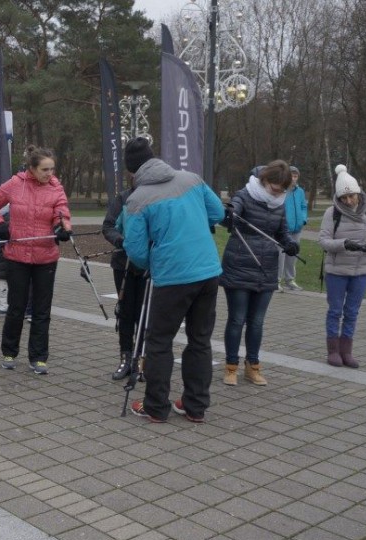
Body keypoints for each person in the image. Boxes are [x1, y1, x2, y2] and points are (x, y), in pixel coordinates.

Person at [121, 137, 223, 424]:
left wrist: (154, 260)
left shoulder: (137, 199)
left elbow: (136, 250)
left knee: (160, 341)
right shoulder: (191, 178)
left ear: (132, 171)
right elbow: (217, 213)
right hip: (208, 271)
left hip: (172, 276)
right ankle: (195, 406)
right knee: (200, 340)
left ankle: (156, 406)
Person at [0, 145, 72, 375]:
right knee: (17, 307)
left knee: (42, 310)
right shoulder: (15, 184)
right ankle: (9, 351)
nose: (49, 174)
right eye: (45, 169)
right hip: (18, 256)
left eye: (52, 169)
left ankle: (39, 357)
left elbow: (61, 212)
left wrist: (62, 227)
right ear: (32, 169)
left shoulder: (56, 188)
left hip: (46, 256)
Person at [220, 160, 300, 386]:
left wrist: (289, 244)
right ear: (265, 180)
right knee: (237, 319)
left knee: (257, 322)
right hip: (239, 263)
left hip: (266, 267)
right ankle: (231, 367)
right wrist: (230, 214)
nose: (278, 193)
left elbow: (281, 232)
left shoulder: (279, 202)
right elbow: (230, 216)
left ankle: (252, 367)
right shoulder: (244, 195)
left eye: (283, 190)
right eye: (275, 188)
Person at [318, 165, 366, 368]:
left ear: (358, 192)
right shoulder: (331, 213)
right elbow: (323, 241)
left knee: (352, 312)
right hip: (336, 271)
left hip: (361, 271)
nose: (349, 201)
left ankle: (346, 350)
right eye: (344, 197)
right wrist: (343, 244)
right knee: (335, 311)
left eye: (352, 196)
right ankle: (333, 350)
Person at [102, 185, 148, 380]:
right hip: (124, 264)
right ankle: (126, 358)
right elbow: (108, 226)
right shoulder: (123, 197)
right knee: (126, 312)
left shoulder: (157, 195)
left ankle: (143, 360)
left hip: (149, 265)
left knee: (144, 315)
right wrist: (121, 241)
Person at [279, 165, 308, 291]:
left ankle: (290, 280)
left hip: (297, 229)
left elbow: (303, 207)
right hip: (283, 229)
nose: (294, 179)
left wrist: (303, 219)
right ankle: (277, 280)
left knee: (293, 254)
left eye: (296, 176)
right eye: (292, 176)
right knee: (280, 255)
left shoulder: (300, 191)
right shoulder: (281, 190)